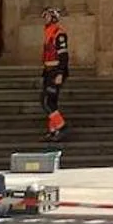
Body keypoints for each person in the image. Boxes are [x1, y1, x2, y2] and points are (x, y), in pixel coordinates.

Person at [41, 7, 70, 141]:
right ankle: (53, 130)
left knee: (47, 102)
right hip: (48, 71)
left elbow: (63, 56)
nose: (45, 19)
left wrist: (60, 74)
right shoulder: (48, 32)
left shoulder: (59, 34)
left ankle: (62, 127)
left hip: (56, 72)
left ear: (53, 18)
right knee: (51, 101)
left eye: (47, 16)